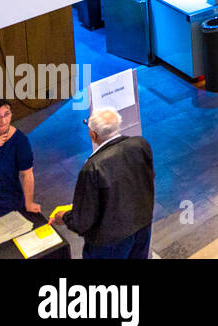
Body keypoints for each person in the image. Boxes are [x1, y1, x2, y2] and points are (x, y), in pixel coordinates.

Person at [51, 107, 154, 259]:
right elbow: (147, 179)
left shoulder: (92, 167)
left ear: (93, 135)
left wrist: (65, 216)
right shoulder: (140, 144)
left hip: (109, 241)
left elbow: (83, 220)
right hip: (142, 224)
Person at [0, 99, 40, 220]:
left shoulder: (19, 141)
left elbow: (27, 174)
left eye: (7, 114)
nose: (3, 121)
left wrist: (29, 203)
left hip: (8, 202)